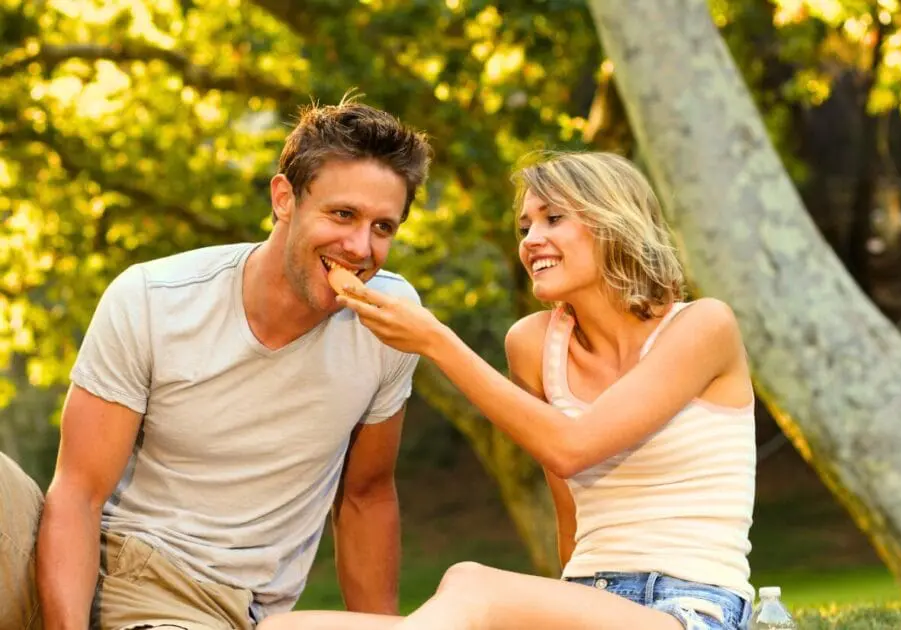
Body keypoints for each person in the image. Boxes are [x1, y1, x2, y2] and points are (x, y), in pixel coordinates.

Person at [258, 151, 757, 630]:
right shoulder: (534, 344)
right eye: (525, 227)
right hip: (587, 601)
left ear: (614, 222)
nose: (531, 240)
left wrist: (435, 341)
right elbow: (570, 519)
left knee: (469, 584)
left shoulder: (702, 327)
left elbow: (572, 449)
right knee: (285, 627)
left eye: (553, 218)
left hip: (691, 608)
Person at [0, 96, 433, 629]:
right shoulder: (154, 298)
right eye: (343, 214)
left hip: (217, 608)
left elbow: (366, 496)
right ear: (283, 198)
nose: (360, 246)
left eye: (383, 228)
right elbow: (79, 491)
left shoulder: (391, 324)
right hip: (117, 565)